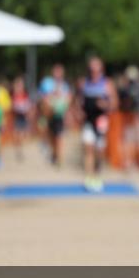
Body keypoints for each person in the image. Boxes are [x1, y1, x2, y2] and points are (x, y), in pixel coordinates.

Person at [78, 55, 118, 191]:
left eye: (96, 70)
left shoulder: (107, 84)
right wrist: (79, 111)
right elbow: (78, 101)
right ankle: (88, 177)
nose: (93, 72)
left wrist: (105, 104)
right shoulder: (84, 83)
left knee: (99, 150)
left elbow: (114, 103)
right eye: (91, 70)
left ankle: (97, 174)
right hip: (88, 121)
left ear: (101, 70)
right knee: (88, 147)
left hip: (101, 121)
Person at [39, 64, 72, 167]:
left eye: (60, 72)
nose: (58, 74)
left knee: (59, 137)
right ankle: (53, 153)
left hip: (59, 115)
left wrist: (66, 112)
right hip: (48, 114)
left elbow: (68, 99)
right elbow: (42, 97)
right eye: (56, 71)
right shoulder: (47, 83)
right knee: (51, 136)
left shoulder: (65, 85)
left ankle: (59, 158)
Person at [10, 76, 33, 161]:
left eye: (21, 85)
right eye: (18, 85)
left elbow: (28, 105)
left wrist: (28, 113)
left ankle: (20, 150)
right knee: (16, 135)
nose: (20, 87)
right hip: (16, 117)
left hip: (23, 117)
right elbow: (12, 105)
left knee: (22, 136)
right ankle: (18, 151)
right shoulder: (13, 95)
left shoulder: (25, 94)